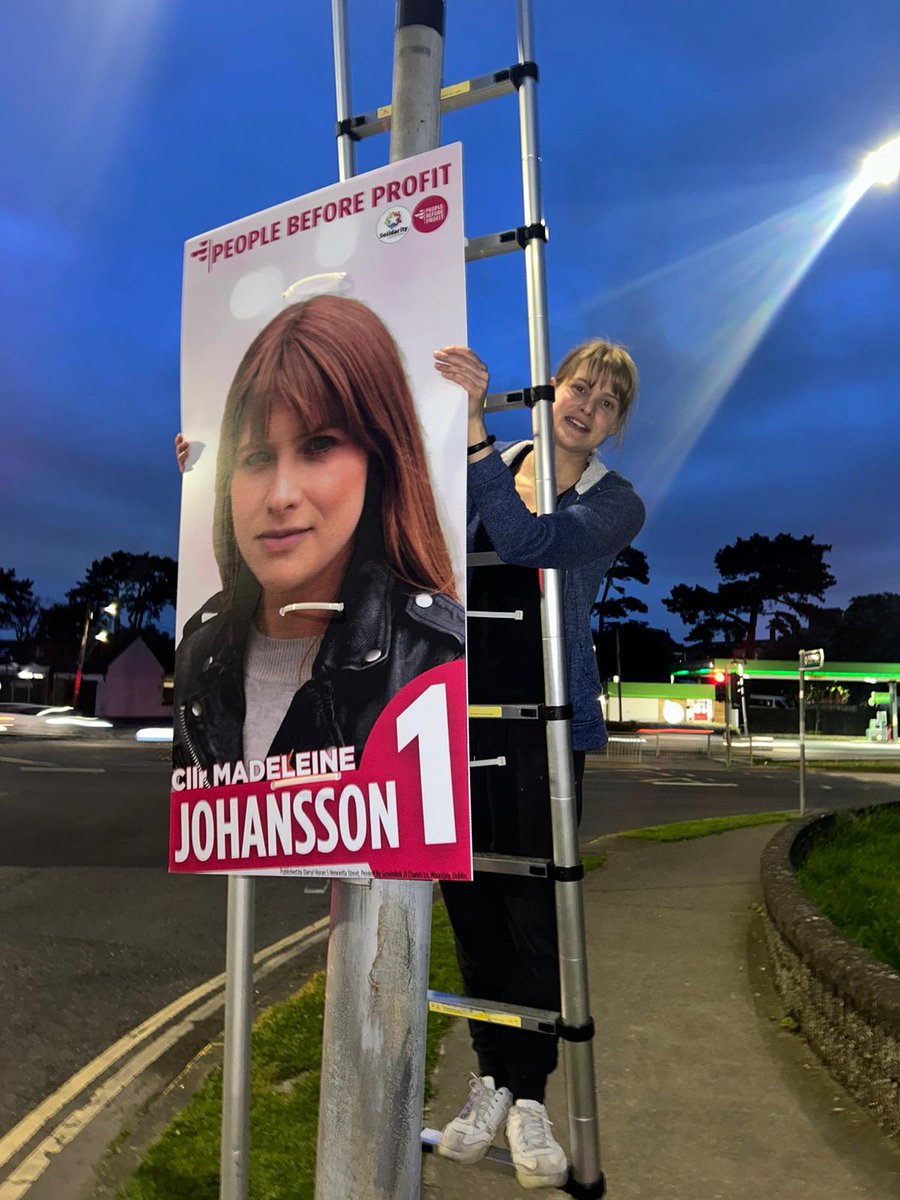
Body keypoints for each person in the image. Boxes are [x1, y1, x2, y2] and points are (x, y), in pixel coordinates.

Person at [432, 340, 645, 1190]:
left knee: (531, 910)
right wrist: (216, 465)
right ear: (553, 388)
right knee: (471, 899)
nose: (587, 403)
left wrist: (478, 436)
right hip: (454, 709)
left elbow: (525, 542)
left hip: (543, 725)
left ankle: (529, 1096)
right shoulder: (479, 458)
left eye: (609, 401)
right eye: (579, 385)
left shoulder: (616, 504)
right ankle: (489, 1080)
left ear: (618, 428)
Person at [173, 295, 464, 772]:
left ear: (381, 459)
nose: (280, 495)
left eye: (319, 445)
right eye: (256, 457)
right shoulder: (196, 651)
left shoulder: (435, 658)